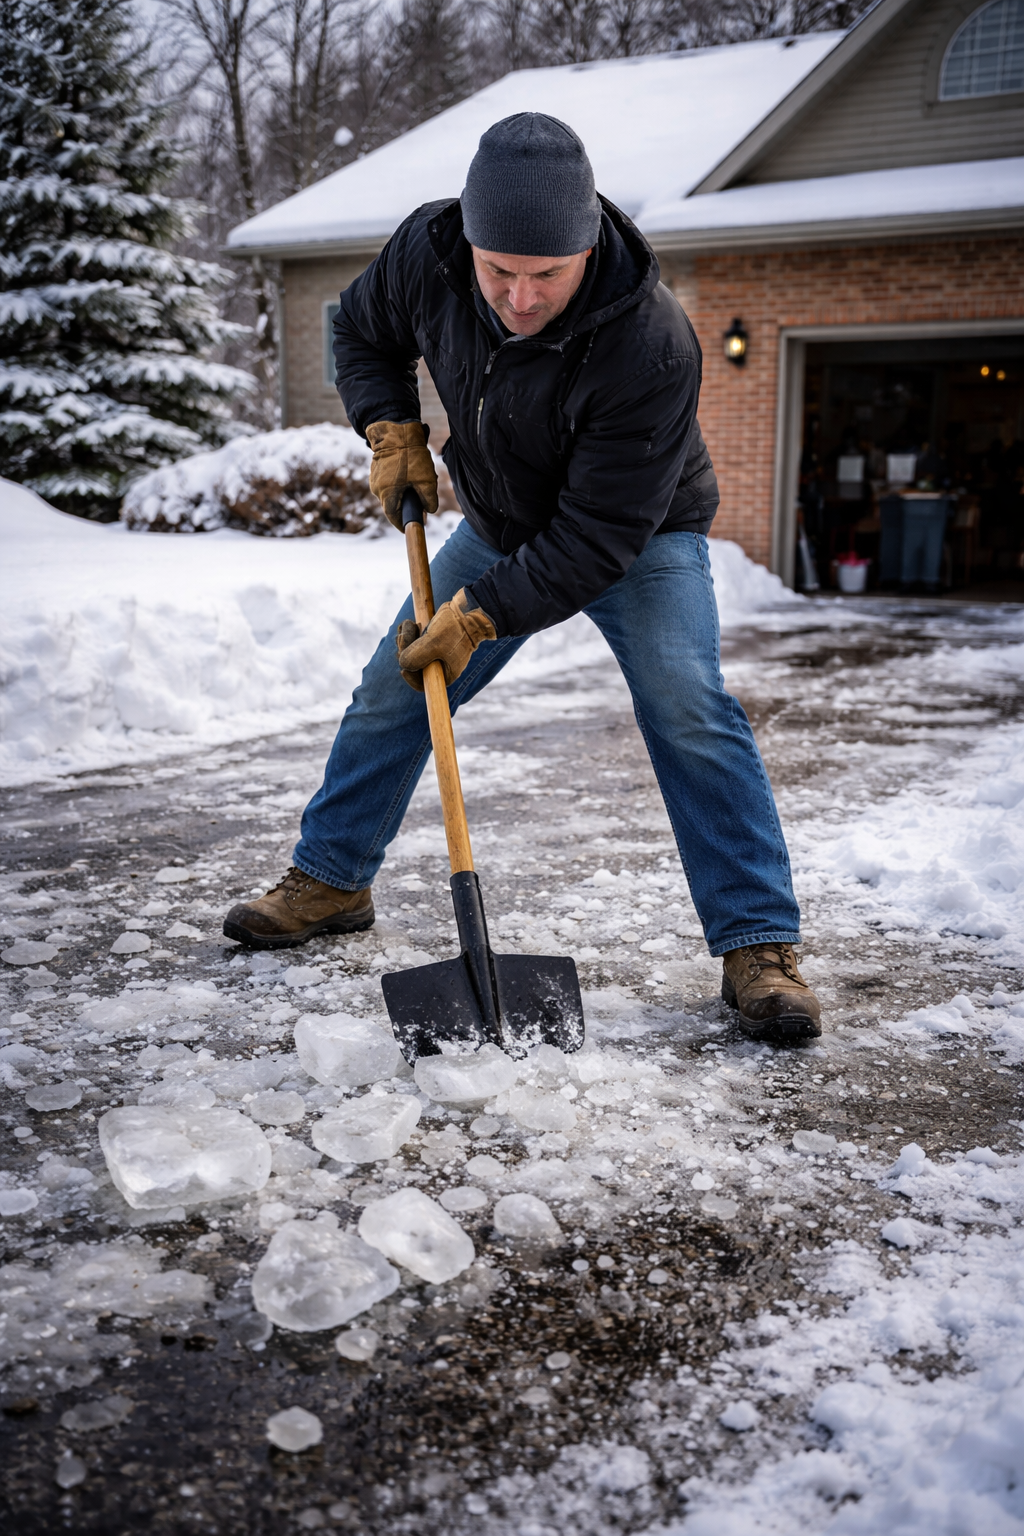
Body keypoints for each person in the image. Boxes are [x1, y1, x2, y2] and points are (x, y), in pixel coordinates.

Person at [223, 113, 821, 1045]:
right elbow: (360, 329)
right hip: (501, 518)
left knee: (688, 705)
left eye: (547, 275)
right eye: (498, 269)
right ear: (467, 236)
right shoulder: (427, 253)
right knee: (397, 685)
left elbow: (596, 537)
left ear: (586, 247)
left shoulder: (648, 340)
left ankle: (758, 944)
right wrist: (391, 428)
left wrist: (482, 614)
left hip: (639, 536)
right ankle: (332, 878)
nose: (519, 296)